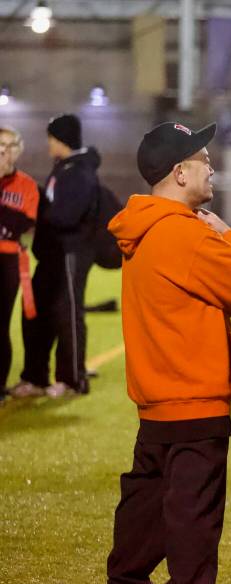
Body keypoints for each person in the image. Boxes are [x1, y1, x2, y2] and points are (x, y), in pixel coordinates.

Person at [100, 121, 231, 584]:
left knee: (147, 500)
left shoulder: (143, 227)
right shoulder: (184, 230)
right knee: (194, 507)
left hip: (156, 390)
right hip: (194, 390)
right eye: (204, 159)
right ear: (179, 171)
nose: (210, 167)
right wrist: (229, 235)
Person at [11, 114, 98, 398]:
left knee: (67, 316)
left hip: (69, 254)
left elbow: (66, 214)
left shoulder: (80, 171)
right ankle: (35, 377)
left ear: (62, 139)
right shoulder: (64, 168)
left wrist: (35, 212)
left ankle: (72, 380)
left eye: (51, 138)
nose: (48, 144)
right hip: (51, 254)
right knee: (34, 313)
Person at [0, 125, 39, 403]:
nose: (3, 154)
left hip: (7, 259)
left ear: (17, 151)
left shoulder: (26, 185)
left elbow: (21, 225)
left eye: (8, 148)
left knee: (0, 325)